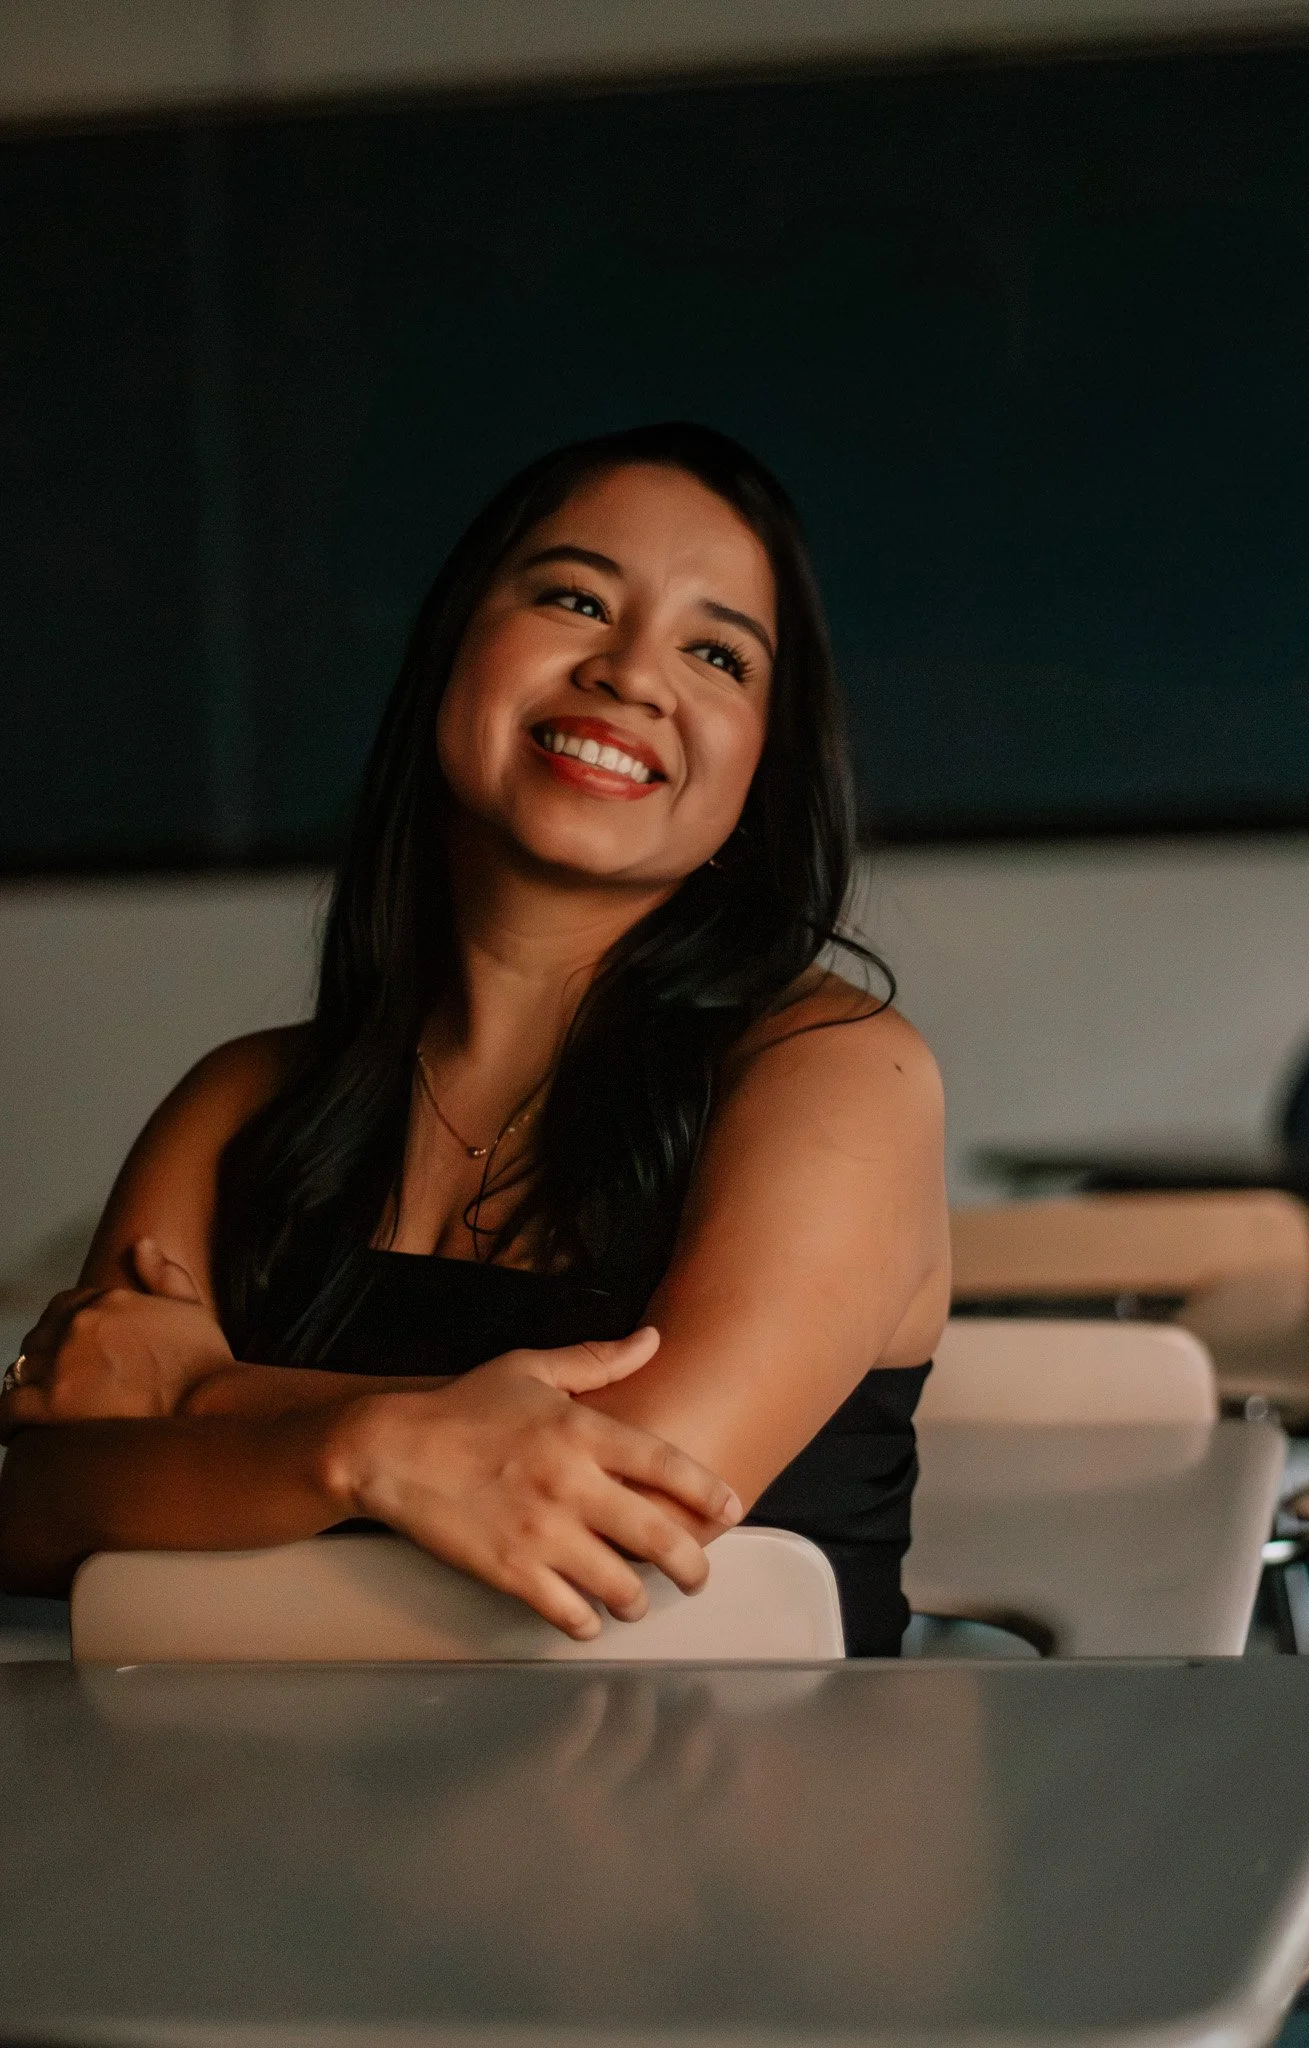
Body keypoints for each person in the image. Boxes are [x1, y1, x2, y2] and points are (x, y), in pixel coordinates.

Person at [0, 423, 948, 1655]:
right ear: (455, 646)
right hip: (253, 1815)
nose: (631, 673)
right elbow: (36, 1512)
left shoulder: (837, 1068)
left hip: (713, 1821)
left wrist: (211, 1400)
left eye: (717, 652)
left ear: (760, 775)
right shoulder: (239, 1100)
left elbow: (623, 1500)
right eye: (573, 596)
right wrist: (365, 1448)